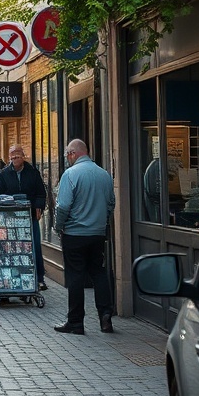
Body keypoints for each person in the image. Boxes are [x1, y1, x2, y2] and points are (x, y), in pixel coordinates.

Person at [53, 139, 116, 335]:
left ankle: (75, 322)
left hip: (74, 234)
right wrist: (100, 221)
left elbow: (63, 206)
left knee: (75, 276)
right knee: (98, 273)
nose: (67, 159)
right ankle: (105, 317)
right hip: (97, 234)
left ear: (73, 154)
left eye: (67, 155)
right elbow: (111, 204)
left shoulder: (70, 175)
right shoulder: (104, 174)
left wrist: (58, 226)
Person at [0, 144, 49, 291]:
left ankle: (39, 278)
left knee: (34, 246)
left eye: (17, 156)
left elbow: (41, 193)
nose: (14, 159)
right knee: (12, 249)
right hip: (10, 219)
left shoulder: (33, 172)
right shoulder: (4, 174)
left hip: (29, 216)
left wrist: (38, 206)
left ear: (23, 157)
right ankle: (13, 279)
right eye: (12, 156)